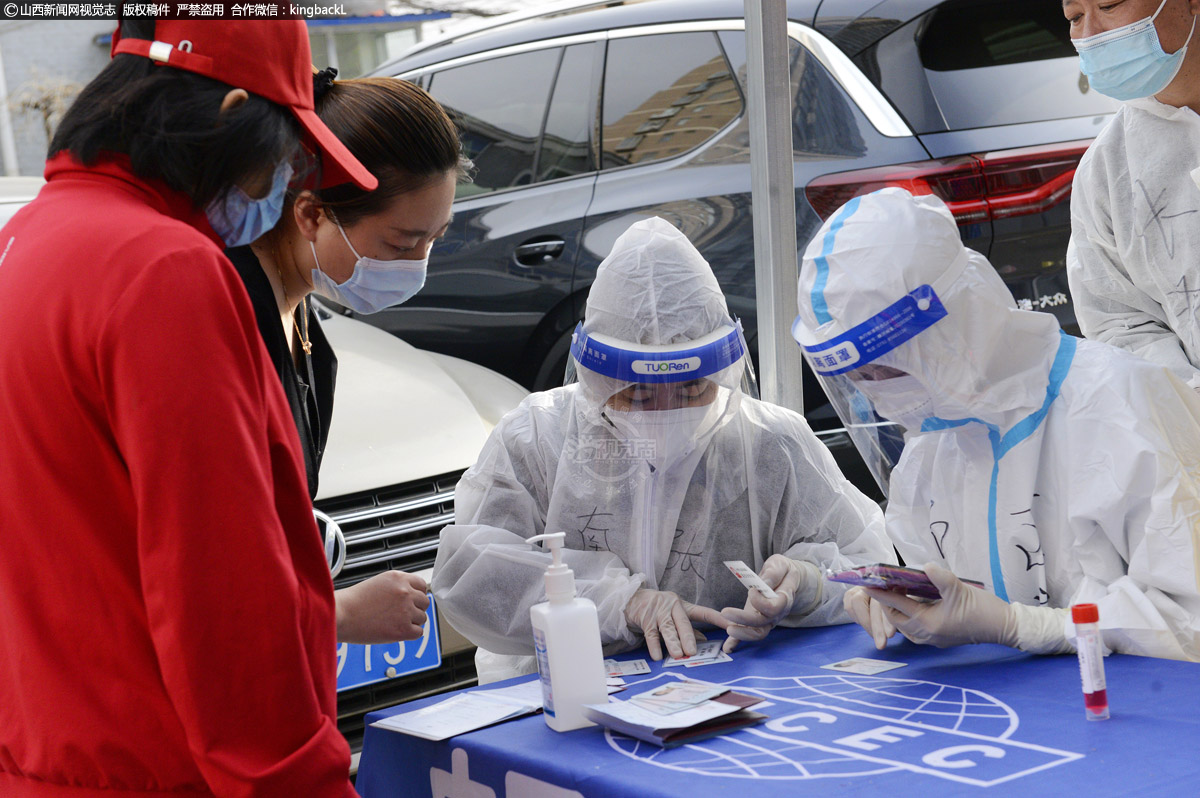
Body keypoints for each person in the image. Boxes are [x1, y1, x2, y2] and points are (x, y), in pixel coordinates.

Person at [0, 21, 374, 796]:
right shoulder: (164, 269)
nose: (276, 194)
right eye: (280, 163)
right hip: (164, 765)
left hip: (51, 753)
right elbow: (221, 587)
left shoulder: (27, 240)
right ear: (231, 113)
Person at [432, 216, 895, 683]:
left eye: (692, 389)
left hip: (737, 698)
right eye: (638, 392)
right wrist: (615, 602)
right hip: (564, 694)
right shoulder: (535, 439)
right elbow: (472, 577)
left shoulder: (771, 444)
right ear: (597, 380)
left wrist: (808, 583)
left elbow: (870, 567)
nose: (666, 410)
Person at [793, 187, 1200, 661]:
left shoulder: (1122, 402)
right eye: (858, 377)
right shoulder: (932, 446)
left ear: (952, 325)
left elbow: (1187, 619)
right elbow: (945, 590)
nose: (876, 391)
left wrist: (1019, 626)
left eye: (885, 368)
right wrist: (901, 604)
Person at [234, 68, 469, 645]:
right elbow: (211, 558)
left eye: (435, 238)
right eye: (400, 242)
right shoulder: (227, 323)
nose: (418, 264)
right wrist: (333, 617)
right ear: (312, 215)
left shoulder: (302, 317)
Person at [1065, 0, 1200, 384]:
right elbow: (1119, 320)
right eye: (1074, 18)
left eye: (1109, 5)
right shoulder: (1108, 168)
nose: (1090, 34)